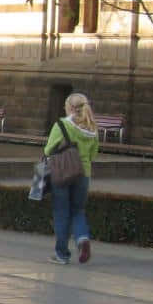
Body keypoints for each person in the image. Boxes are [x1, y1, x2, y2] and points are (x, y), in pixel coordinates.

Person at [44, 92, 100, 265]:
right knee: (78, 211)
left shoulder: (61, 125)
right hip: (83, 174)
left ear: (69, 107)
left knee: (61, 212)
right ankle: (82, 239)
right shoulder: (92, 128)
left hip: (62, 172)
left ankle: (61, 254)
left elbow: (48, 150)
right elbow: (93, 155)